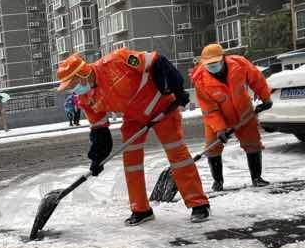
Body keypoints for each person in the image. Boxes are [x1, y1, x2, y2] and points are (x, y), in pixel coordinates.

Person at [57, 49, 211, 225]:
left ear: (82, 75)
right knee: (131, 162)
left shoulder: (117, 60)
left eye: (72, 84)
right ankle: (141, 209)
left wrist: (177, 88)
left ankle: (198, 204)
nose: (72, 89)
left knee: (177, 155)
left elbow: (157, 61)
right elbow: (100, 130)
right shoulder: (85, 98)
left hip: (161, 107)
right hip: (133, 119)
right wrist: (97, 159)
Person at [192, 43, 274, 191]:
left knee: (252, 143)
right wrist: (220, 128)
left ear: (223, 58)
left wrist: (266, 98)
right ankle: (218, 182)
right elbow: (209, 109)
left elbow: (257, 79)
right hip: (217, 117)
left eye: (215, 63)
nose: (212, 67)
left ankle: (257, 178)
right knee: (213, 147)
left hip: (244, 113)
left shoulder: (240, 64)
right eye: (209, 64)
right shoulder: (200, 79)